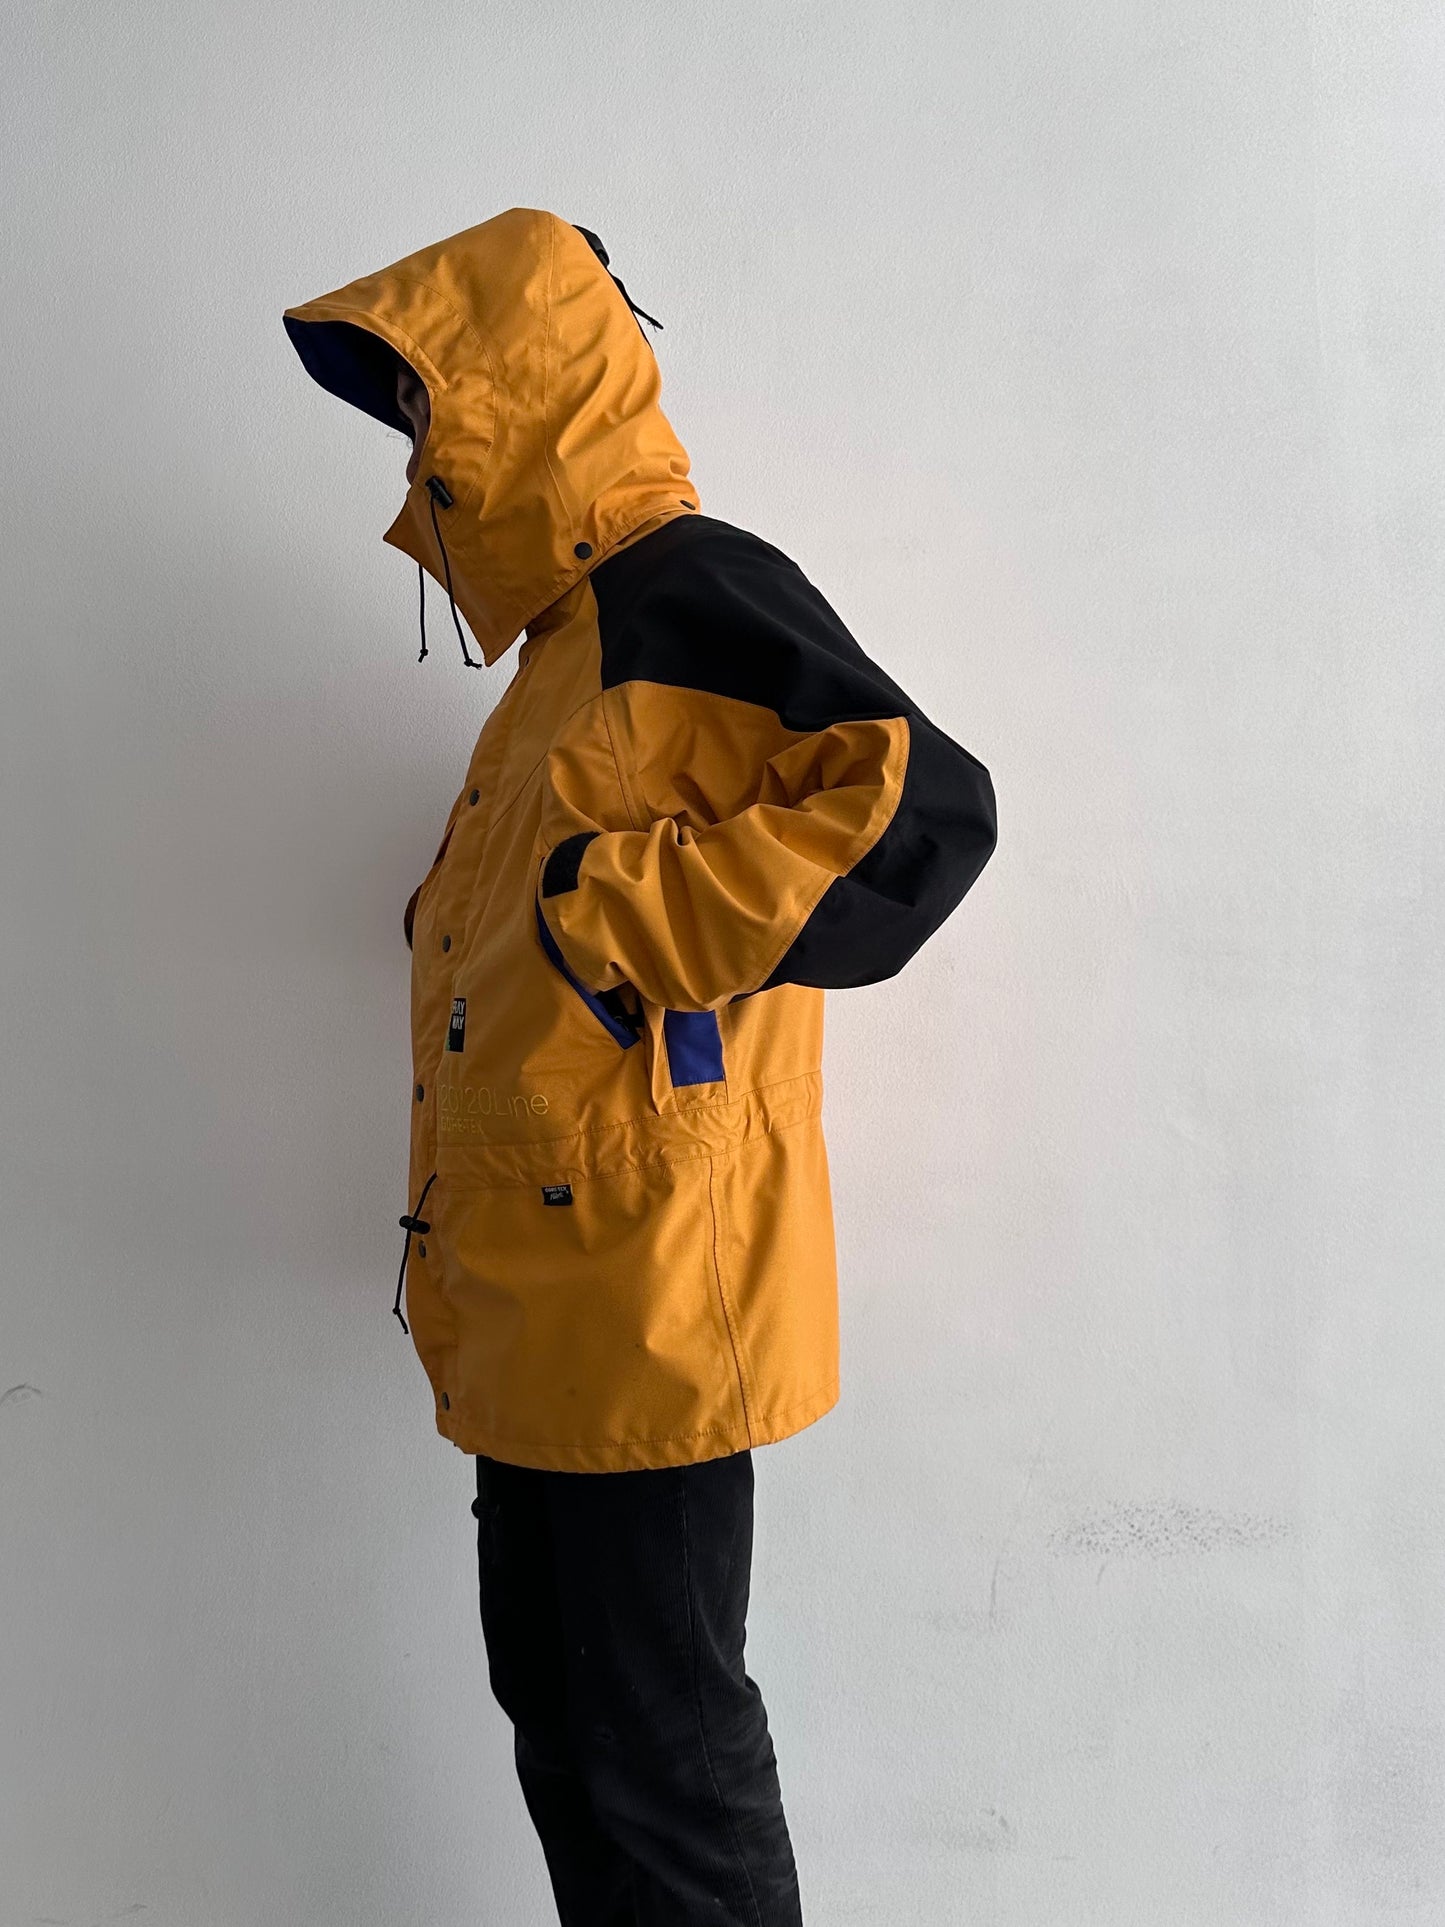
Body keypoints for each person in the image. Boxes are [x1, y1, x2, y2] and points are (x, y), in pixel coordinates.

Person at [282, 206, 997, 1927]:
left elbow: (922, 809)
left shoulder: (684, 589)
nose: (413, 457)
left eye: (425, 409)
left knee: (662, 1757)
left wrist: (621, 914)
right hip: (546, 1290)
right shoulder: (560, 660)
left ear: (514, 397)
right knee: (570, 1722)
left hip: (647, 1292)